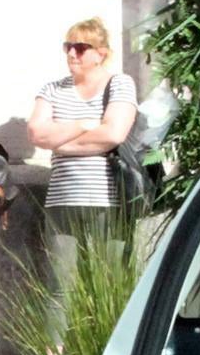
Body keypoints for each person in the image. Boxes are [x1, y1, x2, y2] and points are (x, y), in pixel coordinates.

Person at [25, 17, 137, 273]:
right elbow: (37, 134)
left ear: (101, 54)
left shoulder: (119, 83)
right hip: (62, 200)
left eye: (81, 47)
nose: (72, 53)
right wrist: (84, 125)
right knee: (60, 287)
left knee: (108, 282)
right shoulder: (52, 89)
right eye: (68, 47)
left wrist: (60, 142)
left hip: (108, 200)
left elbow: (113, 134)